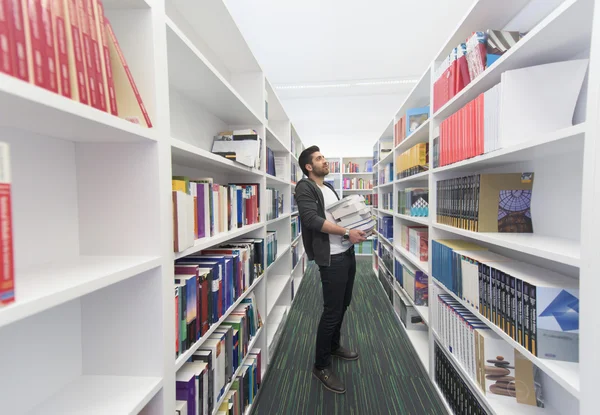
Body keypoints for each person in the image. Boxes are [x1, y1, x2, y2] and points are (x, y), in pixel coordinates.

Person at [294, 145, 367, 394]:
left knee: (344, 304)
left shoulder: (330, 187)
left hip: (346, 253)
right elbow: (311, 220)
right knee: (331, 311)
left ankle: (334, 345)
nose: (324, 161)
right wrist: (347, 232)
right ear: (308, 166)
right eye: (319, 158)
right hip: (332, 258)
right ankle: (321, 365)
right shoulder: (305, 187)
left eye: (323, 157)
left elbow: (338, 217)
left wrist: (359, 225)